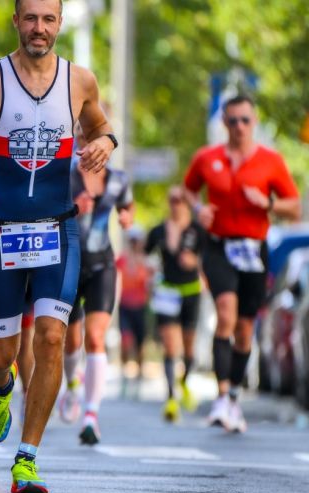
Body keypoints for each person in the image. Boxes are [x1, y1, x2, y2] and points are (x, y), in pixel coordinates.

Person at [0, 0, 117, 491]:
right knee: (1, 354)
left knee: (53, 337)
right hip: (1, 232)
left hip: (58, 229)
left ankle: (26, 459)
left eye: (49, 19)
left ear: (59, 24)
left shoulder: (79, 81)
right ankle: (1, 386)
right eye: (31, 18)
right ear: (16, 21)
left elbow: (100, 127)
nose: (40, 28)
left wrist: (107, 142)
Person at [184, 95, 301, 433]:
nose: (239, 127)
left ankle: (233, 396)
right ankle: (221, 398)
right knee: (225, 314)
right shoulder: (207, 158)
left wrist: (268, 203)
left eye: (245, 120)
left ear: (255, 121)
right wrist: (197, 210)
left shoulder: (271, 161)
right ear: (224, 123)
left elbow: (295, 208)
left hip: (254, 249)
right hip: (219, 248)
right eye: (232, 120)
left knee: (245, 331)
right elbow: (189, 190)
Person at [60, 126, 134, 445]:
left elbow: (127, 206)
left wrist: (127, 218)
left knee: (95, 336)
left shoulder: (118, 179)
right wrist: (72, 209)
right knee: (72, 339)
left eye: (92, 136)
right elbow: (43, 213)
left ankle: (91, 415)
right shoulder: (63, 175)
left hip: (103, 263)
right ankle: (73, 386)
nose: (87, 142)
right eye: (81, 136)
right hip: (69, 264)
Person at [144, 186, 205, 422]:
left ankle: (184, 381)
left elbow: (210, 258)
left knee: (189, 349)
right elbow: (146, 253)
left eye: (180, 199)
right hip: (167, 292)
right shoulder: (159, 231)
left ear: (188, 203)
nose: (176, 204)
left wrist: (196, 262)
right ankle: (171, 399)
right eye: (172, 200)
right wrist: (149, 270)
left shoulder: (198, 230)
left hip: (191, 291)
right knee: (171, 347)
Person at [115, 227, 152, 399]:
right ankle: (124, 377)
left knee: (140, 344)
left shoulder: (146, 261)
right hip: (125, 306)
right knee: (125, 342)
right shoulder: (123, 259)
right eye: (133, 240)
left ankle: (138, 377)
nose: (135, 244)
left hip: (141, 307)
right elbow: (116, 277)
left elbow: (152, 283)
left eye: (137, 240)